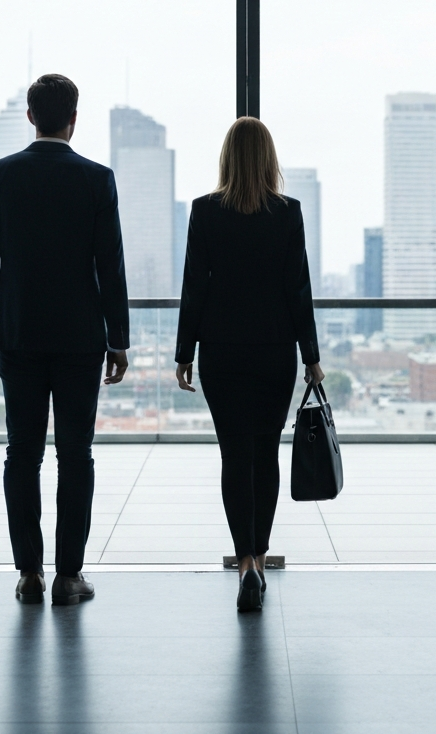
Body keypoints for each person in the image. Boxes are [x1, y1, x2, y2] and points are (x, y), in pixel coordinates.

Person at [0, 73, 129, 606]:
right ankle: (68, 576)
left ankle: (29, 573)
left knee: (23, 455)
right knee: (76, 456)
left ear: (31, 117)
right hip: (81, 338)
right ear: (74, 118)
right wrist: (119, 339)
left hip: (17, 335)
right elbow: (111, 265)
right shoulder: (96, 179)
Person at [174, 117, 323, 613]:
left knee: (234, 457)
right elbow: (297, 289)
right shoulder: (288, 213)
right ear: (269, 158)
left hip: (221, 352)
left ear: (227, 157)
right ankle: (260, 558)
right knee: (266, 456)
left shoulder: (204, 212)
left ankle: (243, 566)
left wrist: (183, 354)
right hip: (274, 352)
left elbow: (195, 287)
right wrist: (312, 357)